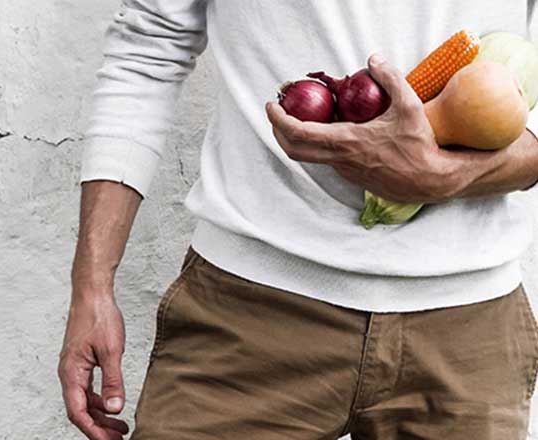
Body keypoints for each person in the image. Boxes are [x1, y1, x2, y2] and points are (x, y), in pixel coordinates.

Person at [59, 1, 538, 439]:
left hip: (468, 331)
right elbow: (149, 49)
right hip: (248, 313)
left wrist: (448, 176)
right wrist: (92, 285)